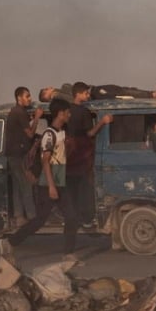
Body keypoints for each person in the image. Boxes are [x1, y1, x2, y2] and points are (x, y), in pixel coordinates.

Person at [2, 99, 71, 250]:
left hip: (59, 182)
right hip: (48, 184)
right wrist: (52, 187)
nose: (69, 115)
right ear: (60, 114)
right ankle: (11, 242)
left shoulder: (62, 132)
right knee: (39, 221)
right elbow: (46, 161)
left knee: (71, 217)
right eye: (67, 112)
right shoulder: (49, 134)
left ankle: (68, 254)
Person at [61, 83, 114, 249]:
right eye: (86, 93)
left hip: (68, 159)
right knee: (86, 191)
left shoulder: (66, 111)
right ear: (79, 94)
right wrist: (103, 122)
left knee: (72, 196)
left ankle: (73, 224)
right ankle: (86, 220)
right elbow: (90, 133)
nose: (88, 96)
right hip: (82, 159)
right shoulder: (83, 112)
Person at [3, 86, 39, 225]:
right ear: (19, 98)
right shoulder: (20, 112)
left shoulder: (15, 112)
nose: (30, 99)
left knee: (18, 186)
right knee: (26, 184)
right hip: (18, 155)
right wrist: (36, 118)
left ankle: (19, 216)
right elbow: (30, 134)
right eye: (27, 96)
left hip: (13, 154)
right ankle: (32, 217)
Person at [40, 80, 156, 102]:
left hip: (94, 90)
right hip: (94, 94)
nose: (49, 88)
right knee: (123, 94)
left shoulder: (62, 89)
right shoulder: (57, 96)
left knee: (125, 90)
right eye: (46, 90)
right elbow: (75, 99)